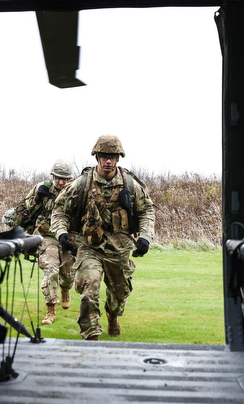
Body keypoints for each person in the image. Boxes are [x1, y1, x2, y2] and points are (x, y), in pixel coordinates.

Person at [51, 135, 154, 340]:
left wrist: (145, 236)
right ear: (97, 157)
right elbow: (60, 210)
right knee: (89, 288)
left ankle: (112, 314)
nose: (109, 160)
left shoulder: (129, 183)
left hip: (120, 247)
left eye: (113, 156)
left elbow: (146, 211)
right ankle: (91, 336)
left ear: (118, 158)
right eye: (105, 156)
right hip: (89, 245)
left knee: (120, 293)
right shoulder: (82, 183)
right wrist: (62, 233)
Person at [12, 159, 76, 325]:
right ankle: (51, 309)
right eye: (58, 178)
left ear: (70, 179)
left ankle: (65, 289)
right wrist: (37, 200)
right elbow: (22, 214)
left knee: (69, 275)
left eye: (65, 179)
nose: (61, 182)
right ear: (53, 176)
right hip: (47, 235)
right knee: (50, 268)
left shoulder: (76, 191)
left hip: (68, 236)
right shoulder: (43, 188)